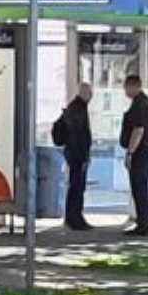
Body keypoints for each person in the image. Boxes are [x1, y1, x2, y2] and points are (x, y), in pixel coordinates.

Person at [119, 73, 148, 237]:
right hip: (145, 150)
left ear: (133, 86)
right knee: (139, 187)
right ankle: (143, 221)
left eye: (126, 87)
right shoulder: (142, 102)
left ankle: (143, 224)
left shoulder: (140, 105)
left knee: (139, 187)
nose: (124, 90)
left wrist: (130, 153)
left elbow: (138, 130)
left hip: (142, 152)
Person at [62, 83, 94, 230]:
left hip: (74, 153)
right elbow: (79, 135)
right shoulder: (78, 109)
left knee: (76, 186)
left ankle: (73, 217)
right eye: (89, 93)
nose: (91, 97)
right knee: (77, 187)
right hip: (77, 154)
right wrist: (84, 155)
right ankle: (75, 218)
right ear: (83, 93)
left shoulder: (76, 107)